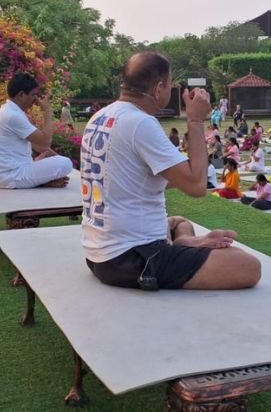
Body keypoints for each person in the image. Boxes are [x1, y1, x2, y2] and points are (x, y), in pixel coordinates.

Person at [80, 51, 260, 290]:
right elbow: (197, 186)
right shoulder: (140, 122)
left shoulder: (100, 116)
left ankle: (184, 242)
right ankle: (180, 247)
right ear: (158, 89)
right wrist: (195, 121)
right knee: (247, 266)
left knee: (179, 223)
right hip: (133, 257)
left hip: (100, 251)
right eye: (170, 85)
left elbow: (159, 178)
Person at [0, 72, 73, 189]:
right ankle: (43, 181)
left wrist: (55, 159)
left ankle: (44, 180)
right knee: (66, 163)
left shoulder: (10, 111)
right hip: (12, 176)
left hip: (7, 175)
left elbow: (39, 146)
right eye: (33, 95)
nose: (35, 99)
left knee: (59, 161)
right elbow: (45, 142)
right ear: (21, 95)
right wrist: (48, 112)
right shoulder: (12, 115)